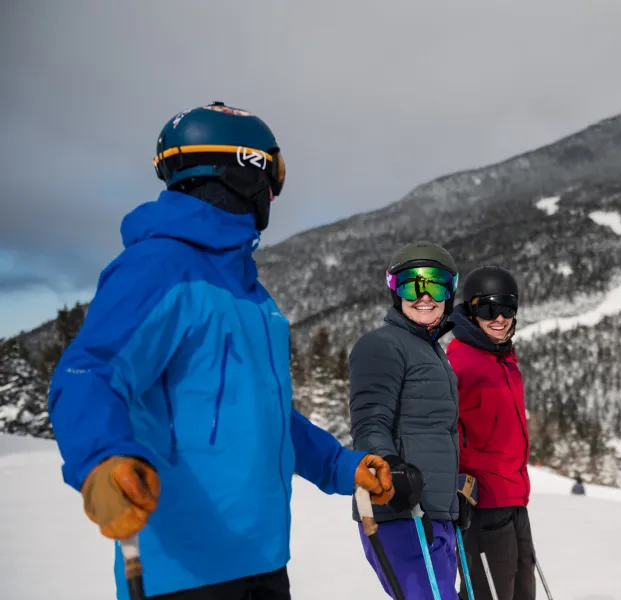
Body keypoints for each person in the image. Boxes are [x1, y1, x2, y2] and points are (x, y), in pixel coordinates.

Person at [46, 102, 394, 600]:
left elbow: (265, 413)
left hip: (263, 560)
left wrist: (339, 464)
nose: (273, 194)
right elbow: (90, 372)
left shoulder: (252, 294)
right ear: (244, 170)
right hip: (184, 573)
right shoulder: (159, 266)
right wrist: (103, 458)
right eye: (273, 177)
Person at [348, 241, 465, 599]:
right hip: (400, 509)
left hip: (433, 512)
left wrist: (450, 500)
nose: (425, 296)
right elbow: (368, 423)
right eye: (412, 285)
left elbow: (436, 434)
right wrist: (392, 470)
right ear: (395, 291)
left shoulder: (433, 352)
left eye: (436, 285)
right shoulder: (381, 345)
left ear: (450, 292)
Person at [447, 265, 536, 600]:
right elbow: (441, 432)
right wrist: (453, 486)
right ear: (471, 311)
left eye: (507, 308)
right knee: (487, 594)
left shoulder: (504, 360)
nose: (499, 318)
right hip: (481, 505)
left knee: (522, 592)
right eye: (488, 309)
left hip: (515, 499)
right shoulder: (458, 365)